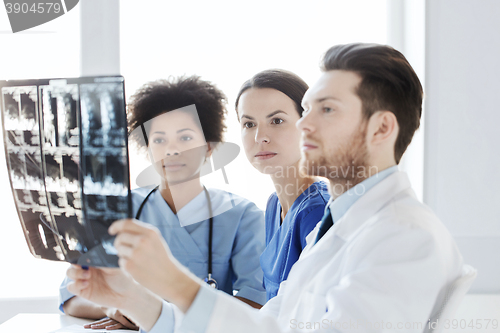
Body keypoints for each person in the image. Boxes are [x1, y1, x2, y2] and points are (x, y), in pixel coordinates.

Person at [66, 43, 465, 333]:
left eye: (325, 110)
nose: (304, 125)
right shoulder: (334, 229)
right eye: (306, 110)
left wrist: (174, 282)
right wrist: (131, 298)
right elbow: (266, 325)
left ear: (381, 128)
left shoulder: (405, 238)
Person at [60, 77, 266, 330]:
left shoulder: (243, 216)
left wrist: (156, 314)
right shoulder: (116, 210)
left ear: (209, 148)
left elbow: (256, 303)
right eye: (158, 140)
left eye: (186, 138)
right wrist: (114, 307)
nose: (171, 150)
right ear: (147, 148)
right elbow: (72, 294)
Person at [235, 69, 329, 300]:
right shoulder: (275, 205)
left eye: (276, 121)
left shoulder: (317, 212)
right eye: (248, 124)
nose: (260, 137)